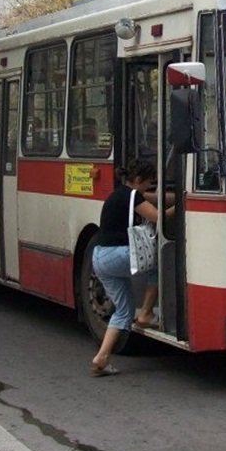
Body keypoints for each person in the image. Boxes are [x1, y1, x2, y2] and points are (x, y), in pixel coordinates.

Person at [90, 157, 175, 377]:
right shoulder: (133, 196)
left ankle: (101, 357)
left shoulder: (120, 194)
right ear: (138, 180)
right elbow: (159, 217)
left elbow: (154, 198)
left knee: (124, 312)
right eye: (149, 182)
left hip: (99, 258)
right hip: (117, 254)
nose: (151, 186)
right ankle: (146, 313)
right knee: (158, 265)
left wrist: (179, 195)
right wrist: (182, 205)